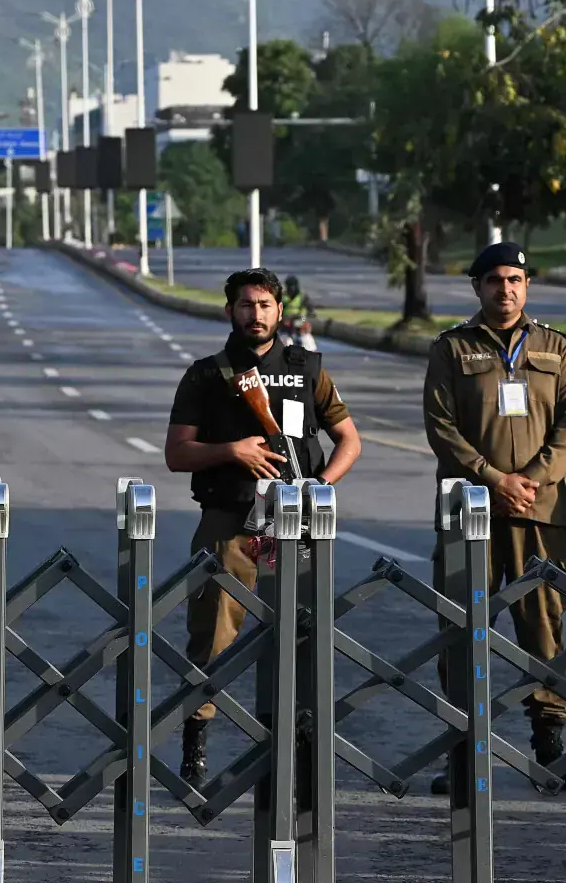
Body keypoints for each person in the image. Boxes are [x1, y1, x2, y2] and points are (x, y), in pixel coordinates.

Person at [164, 267, 363, 783]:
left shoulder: (307, 369)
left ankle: (296, 743)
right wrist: (232, 450)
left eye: (266, 305)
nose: (257, 314)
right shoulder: (207, 374)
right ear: (229, 310)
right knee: (212, 637)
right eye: (247, 305)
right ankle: (196, 742)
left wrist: (322, 485)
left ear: (280, 310)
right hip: (229, 523)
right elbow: (177, 453)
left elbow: (349, 440)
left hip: (294, 524)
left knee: (300, 637)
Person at [421, 241, 566, 794]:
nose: (506, 289)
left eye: (516, 279)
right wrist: (493, 479)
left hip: (539, 511)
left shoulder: (555, 347)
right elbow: (441, 425)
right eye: (495, 279)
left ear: (527, 285)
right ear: (478, 287)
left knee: (544, 624)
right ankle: (465, 753)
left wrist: (533, 480)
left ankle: (550, 748)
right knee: (461, 628)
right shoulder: (451, 348)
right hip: (470, 509)